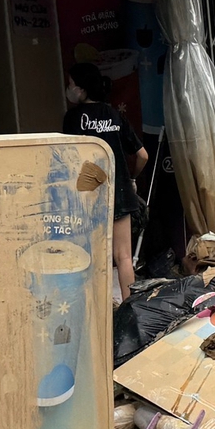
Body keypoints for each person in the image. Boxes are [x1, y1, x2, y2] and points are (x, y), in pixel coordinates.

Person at [62, 62, 147, 301]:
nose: (68, 89)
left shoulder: (72, 118)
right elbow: (142, 155)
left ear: (82, 89)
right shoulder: (115, 115)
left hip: (87, 196)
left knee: (91, 258)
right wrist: (131, 178)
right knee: (124, 258)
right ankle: (130, 310)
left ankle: (96, 312)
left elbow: (67, 159)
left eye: (70, 84)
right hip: (119, 193)